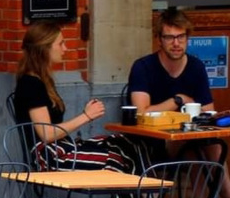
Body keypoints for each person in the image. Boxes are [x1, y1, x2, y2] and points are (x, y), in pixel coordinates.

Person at [128, 7, 230, 198]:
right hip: (154, 143)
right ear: (159, 40)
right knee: (194, 151)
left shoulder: (195, 66)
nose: (176, 43)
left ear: (188, 38)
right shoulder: (143, 67)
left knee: (213, 147)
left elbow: (208, 111)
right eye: (170, 37)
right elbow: (141, 113)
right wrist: (178, 100)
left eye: (181, 37)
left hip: (190, 140)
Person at [11, 21, 147, 175]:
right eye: (61, 44)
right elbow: (46, 134)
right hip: (48, 156)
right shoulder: (30, 84)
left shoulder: (43, 80)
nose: (65, 49)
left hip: (62, 146)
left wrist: (86, 113)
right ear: (45, 49)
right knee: (115, 158)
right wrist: (86, 116)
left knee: (129, 144)